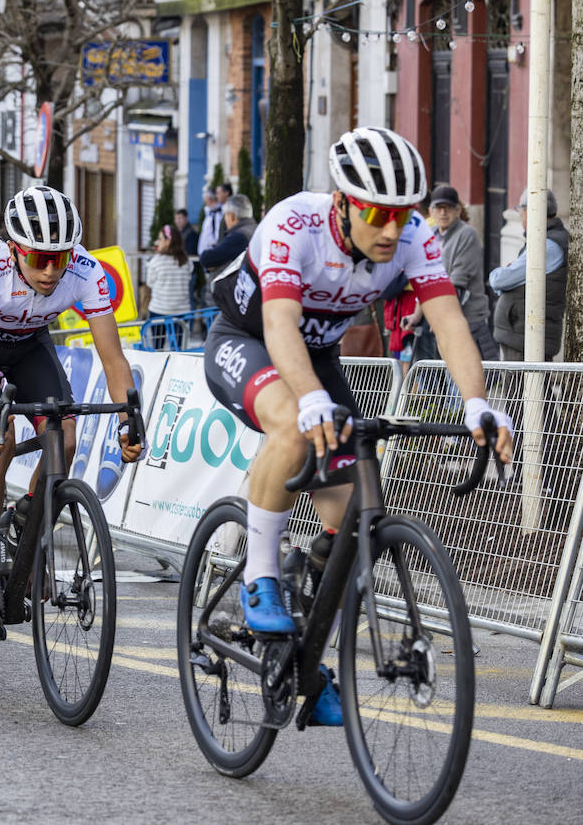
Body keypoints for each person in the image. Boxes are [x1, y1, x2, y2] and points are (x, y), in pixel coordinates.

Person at [204, 127, 514, 726]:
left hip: (317, 357)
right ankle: (261, 576)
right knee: (294, 429)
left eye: (403, 214)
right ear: (343, 202)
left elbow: (449, 324)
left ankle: (307, 655)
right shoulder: (295, 226)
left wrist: (476, 402)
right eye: (377, 214)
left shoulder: (414, 238)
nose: (391, 229)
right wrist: (312, 399)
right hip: (250, 340)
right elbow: (279, 327)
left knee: (350, 520)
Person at [0, 185, 145, 632]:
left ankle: (25, 522)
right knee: (0, 443)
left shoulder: (85, 270)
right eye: (39, 258)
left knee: (65, 437)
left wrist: (128, 421)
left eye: (60, 256)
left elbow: (113, 358)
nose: (52, 270)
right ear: (15, 250)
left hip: (29, 342)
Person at [401, 185, 498, 362]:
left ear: (458, 210)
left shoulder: (467, 234)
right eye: (439, 208)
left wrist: (441, 317)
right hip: (438, 319)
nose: (443, 213)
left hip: (465, 320)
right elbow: (425, 281)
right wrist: (417, 315)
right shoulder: (430, 235)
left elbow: (457, 283)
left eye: (448, 208)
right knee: (433, 382)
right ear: (431, 211)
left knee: (460, 383)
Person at [490, 188, 570, 361]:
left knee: (522, 386)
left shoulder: (546, 245)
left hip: (524, 334)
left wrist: (497, 273)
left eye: (521, 211)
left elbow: (500, 280)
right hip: (520, 332)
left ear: (531, 211)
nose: (521, 217)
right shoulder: (547, 239)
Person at [140, 225, 193, 349]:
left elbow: (150, 283)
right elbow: (188, 280)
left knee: (158, 347)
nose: (157, 242)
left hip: (159, 310)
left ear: (168, 241)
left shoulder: (155, 261)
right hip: (181, 312)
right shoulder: (186, 261)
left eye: (160, 239)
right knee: (179, 348)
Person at [197, 194, 257, 272]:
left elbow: (206, 259)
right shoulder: (256, 228)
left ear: (231, 216)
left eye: (225, 214)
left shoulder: (238, 237)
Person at [197, 188, 224, 257]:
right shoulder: (209, 213)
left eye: (206, 198)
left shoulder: (218, 214)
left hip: (212, 252)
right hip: (205, 252)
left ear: (209, 198)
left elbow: (218, 232)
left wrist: (214, 245)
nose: (205, 201)